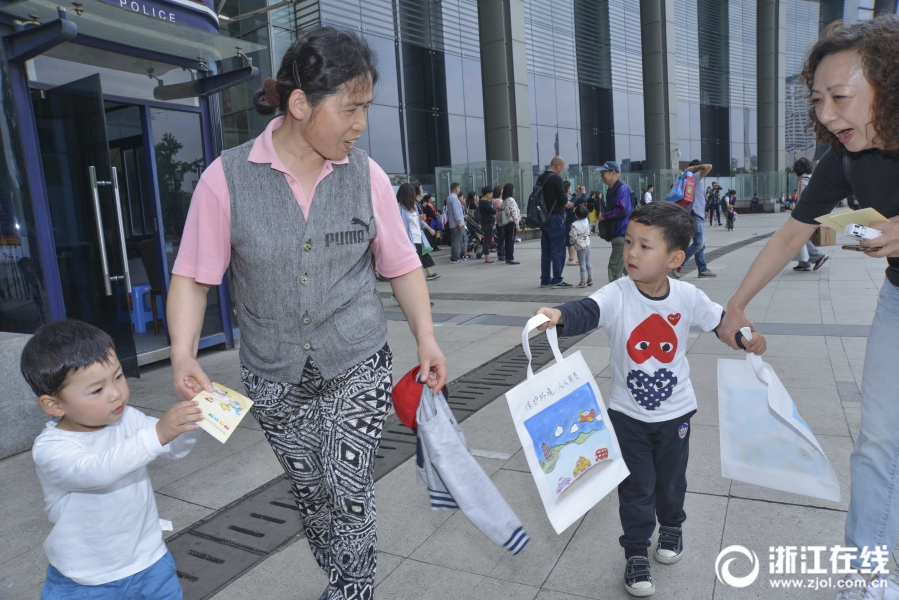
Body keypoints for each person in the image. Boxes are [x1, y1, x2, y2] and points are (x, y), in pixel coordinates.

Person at [166, 28, 447, 600]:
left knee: (348, 486)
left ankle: (353, 589)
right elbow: (194, 278)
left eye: (366, 108)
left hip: (356, 358)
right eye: (350, 109)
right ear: (300, 105)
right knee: (313, 494)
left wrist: (426, 336)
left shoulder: (365, 174)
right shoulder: (227, 179)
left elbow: (401, 265)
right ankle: (341, 571)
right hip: (273, 374)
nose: (360, 124)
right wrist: (182, 352)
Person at [714, 17, 899, 599]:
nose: (826, 114)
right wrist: (736, 305)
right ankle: (867, 580)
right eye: (818, 100)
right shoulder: (845, 158)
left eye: (840, 97)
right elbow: (790, 236)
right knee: (878, 443)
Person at [534, 202, 767, 598]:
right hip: (627, 416)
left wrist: (745, 337)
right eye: (629, 242)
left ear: (675, 258)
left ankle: (672, 525)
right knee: (637, 487)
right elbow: (588, 310)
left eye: (645, 246)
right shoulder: (618, 293)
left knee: (671, 482)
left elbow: (718, 321)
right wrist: (559, 314)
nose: (632, 253)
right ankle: (637, 552)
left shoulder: (687, 296)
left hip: (676, 412)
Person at [22, 320, 203, 599]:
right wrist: (156, 434)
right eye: (96, 390)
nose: (116, 393)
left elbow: (172, 448)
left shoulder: (128, 419)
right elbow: (96, 471)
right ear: (54, 404)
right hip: (85, 579)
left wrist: (192, 422)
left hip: (149, 562)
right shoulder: (51, 449)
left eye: (118, 376)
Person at [672, 160, 716, 279]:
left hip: (696, 214)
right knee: (698, 243)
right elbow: (709, 165)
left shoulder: (690, 179)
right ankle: (678, 264)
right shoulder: (694, 177)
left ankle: (702, 269)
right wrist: (694, 168)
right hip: (696, 214)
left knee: (701, 245)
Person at [537, 156, 572, 288]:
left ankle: (545, 279)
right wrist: (568, 204)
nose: (561, 171)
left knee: (546, 250)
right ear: (557, 165)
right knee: (558, 249)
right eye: (561, 168)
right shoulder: (556, 179)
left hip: (543, 218)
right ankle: (557, 279)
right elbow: (563, 199)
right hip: (556, 217)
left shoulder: (540, 178)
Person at [596, 160, 633, 282]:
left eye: (604, 173)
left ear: (613, 173)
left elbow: (623, 210)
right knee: (624, 267)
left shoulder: (622, 189)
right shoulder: (611, 190)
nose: (602, 176)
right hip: (617, 233)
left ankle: (612, 294)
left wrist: (605, 216)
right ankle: (643, 287)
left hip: (621, 232)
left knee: (614, 266)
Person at [791, 157, 830, 272]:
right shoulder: (815, 178)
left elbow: (803, 199)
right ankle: (804, 262)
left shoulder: (802, 180)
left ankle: (818, 256)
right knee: (807, 237)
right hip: (820, 211)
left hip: (808, 213)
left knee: (799, 237)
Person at [397, 183, 440, 280]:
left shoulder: (413, 206)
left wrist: (419, 218)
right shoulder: (399, 208)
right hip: (408, 241)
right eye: (412, 192)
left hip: (418, 239)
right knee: (411, 267)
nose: (415, 194)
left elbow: (417, 220)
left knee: (417, 264)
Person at [569, 204, 593, 287]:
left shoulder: (574, 224)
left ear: (576, 215)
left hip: (580, 246)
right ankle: (590, 279)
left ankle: (583, 281)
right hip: (587, 244)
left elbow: (572, 236)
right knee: (588, 262)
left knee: (582, 263)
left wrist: (572, 241)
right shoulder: (586, 220)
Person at [500, 183, 521, 265]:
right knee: (511, 241)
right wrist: (517, 224)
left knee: (508, 240)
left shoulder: (504, 200)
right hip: (511, 222)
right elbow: (514, 212)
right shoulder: (510, 200)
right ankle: (511, 258)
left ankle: (508, 257)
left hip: (506, 223)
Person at [446, 182, 465, 263]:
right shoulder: (454, 198)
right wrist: (460, 222)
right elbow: (457, 211)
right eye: (459, 188)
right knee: (458, 240)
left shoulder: (449, 197)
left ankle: (454, 256)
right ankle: (456, 257)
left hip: (452, 223)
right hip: (456, 223)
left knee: (454, 240)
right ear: (457, 189)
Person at [479, 186, 497, 263]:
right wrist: (492, 213)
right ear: (487, 194)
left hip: (488, 222)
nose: (492, 195)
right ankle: (487, 258)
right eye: (491, 193)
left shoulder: (484, 202)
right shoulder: (484, 203)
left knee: (488, 239)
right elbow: (493, 211)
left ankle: (487, 257)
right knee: (487, 240)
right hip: (487, 223)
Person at [564, 180, 579, 266]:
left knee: (569, 241)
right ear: (568, 189)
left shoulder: (563, 197)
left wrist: (576, 193)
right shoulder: (567, 198)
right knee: (572, 240)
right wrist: (583, 193)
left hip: (566, 221)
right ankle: (571, 259)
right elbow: (579, 200)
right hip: (570, 221)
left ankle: (571, 258)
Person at [492, 185, 507, 261]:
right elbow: (503, 209)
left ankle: (501, 253)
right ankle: (501, 254)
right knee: (501, 239)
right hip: (500, 222)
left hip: (499, 222)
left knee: (501, 238)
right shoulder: (498, 201)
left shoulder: (495, 200)